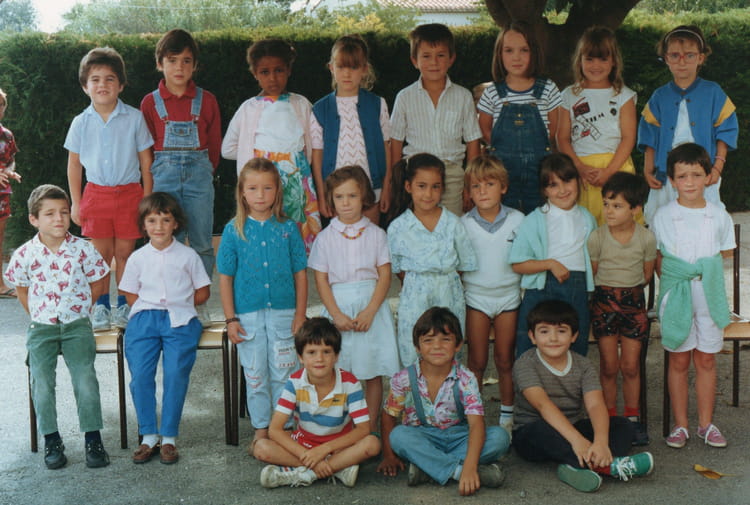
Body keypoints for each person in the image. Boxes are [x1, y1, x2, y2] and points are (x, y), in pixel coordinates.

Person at [4, 184, 110, 469]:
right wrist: (39, 314)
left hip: (76, 325)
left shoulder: (83, 249)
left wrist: (82, 308)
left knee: (85, 379)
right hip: (42, 328)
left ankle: (93, 439)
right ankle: (52, 439)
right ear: (34, 219)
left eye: (63, 212)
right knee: (41, 382)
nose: (59, 219)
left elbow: (99, 281)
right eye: (49, 214)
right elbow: (22, 290)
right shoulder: (25, 255)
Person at [513, 300, 654, 493]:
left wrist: (601, 441)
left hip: (574, 426)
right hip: (534, 433)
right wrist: (577, 441)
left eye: (561, 331)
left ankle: (576, 466)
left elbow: (595, 404)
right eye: (544, 331)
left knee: (623, 425)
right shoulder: (525, 363)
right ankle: (609, 466)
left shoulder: (583, 365)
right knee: (540, 430)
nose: (553, 338)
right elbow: (543, 405)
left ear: (574, 336)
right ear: (532, 337)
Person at [217, 158, 308, 455]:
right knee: (255, 376)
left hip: (284, 316)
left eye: (267, 188)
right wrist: (230, 319)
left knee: (284, 374)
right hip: (248, 318)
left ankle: (284, 430)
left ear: (277, 191)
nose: (260, 195)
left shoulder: (289, 228)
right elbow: (225, 278)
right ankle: (260, 431)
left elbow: (300, 274)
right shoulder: (233, 231)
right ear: (242, 192)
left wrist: (300, 314)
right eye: (253, 188)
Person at [65, 47, 154, 331]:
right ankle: (100, 306)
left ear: (121, 85)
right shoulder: (80, 122)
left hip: (130, 195)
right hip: (96, 196)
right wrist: (76, 202)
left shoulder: (134, 118)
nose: (102, 84)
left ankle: (125, 304)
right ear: (85, 86)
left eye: (109, 79)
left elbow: (146, 161)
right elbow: (74, 165)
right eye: (95, 79)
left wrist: (147, 199)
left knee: (125, 254)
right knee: (100, 256)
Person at [119, 192, 211, 465]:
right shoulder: (137, 257)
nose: (158, 226)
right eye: (152, 220)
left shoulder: (188, 256)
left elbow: (203, 291)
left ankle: (169, 437)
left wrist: (180, 304)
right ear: (143, 225)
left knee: (175, 374)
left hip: (180, 319)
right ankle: (149, 436)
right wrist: (150, 308)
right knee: (140, 375)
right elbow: (130, 294)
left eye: (165, 220)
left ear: (175, 224)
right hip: (144, 319)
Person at [652, 142, 735, 449]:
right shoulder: (663, 215)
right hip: (677, 294)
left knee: (706, 359)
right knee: (678, 359)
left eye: (697, 175)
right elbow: (659, 257)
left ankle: (705, 424)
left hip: (708, 293)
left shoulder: (718, 215)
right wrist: (674, 285)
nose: (690, 182)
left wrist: (702, 273)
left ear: (708, 177)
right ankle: (681, 425)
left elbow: (723, 253)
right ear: (672, 180)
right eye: (682, 176)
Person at [377, 307, 509, 496]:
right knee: (398, 436)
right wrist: (389, 456)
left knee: (500, 438)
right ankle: (457, 472)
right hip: (422, 436)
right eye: (428, 340)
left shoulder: (466, 378)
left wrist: (470, 466)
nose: (437, 346)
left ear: (458, 345)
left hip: (459, 437)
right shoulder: (403, 378)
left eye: (445, 339)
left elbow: (476, 424)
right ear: (417, 347)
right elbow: (389, 416)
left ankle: (427, 468)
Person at [308, 165, 400, 432]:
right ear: (331, 200)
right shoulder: (325, 238)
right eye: (339, 197)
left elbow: (385, 275)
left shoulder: (377, 234)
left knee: (372, 371)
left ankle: (368, 430)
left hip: (371, 307)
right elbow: (321, 280)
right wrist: (336, 315)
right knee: (338, 370)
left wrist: (370, 311)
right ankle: (340, 427)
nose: (345, 203)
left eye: (352, 196)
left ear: (364, 197)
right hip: (339, 307)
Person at [140, 29, 222, 326]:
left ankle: (199, 302)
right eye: (172, 60)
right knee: (165, 240)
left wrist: (205, 170)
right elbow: (146, 148)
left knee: (201, 242)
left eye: (186, 61)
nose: (179, 67)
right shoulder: (150, 103)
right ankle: (169, 300)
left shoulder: (207, 100)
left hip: (199, 179)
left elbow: (214, 144)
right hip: (164, 180)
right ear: (160, 63)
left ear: (195, 65)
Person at [253, 317, 381, 488]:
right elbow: (275, 430)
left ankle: (302, 473)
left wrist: (324, 450)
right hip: (304, 444)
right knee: (261, 447)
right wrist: (307, 454)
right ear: (300, 357)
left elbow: (363, 429)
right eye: (312, 352)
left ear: (336, 356)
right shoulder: (295, 382)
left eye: (326, 352)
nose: (319, 358)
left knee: (372, 444)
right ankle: (336, 468)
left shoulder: (350, 383)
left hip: (339, 447)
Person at [222, 38, 321, 253]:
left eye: (279, 70)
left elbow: (314, 143)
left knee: (297, 240)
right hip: (263, 185)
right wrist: (257, 156)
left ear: (289, 70)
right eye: (265, 72)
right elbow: (227, 149)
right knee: (267, 237)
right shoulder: (248, 109)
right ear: (255, 74)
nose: (273, 78)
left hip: (297, 184)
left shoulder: (301, 104)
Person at [638, 25, 738, 225]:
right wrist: (648, 170)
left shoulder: (713, 92)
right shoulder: (659, 96)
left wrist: (717, 168)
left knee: (705, 222)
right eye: (675, 55)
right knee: (665, 222)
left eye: (689, 55)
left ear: (700, 58)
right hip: (667, 175)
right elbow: (649, 135)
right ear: (666, 59)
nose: (682, 61)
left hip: (703, 173)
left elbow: (726, 130)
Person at [387, 153, 477, 366]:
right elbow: (397, 268)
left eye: (435, 187)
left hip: (448, 295)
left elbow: (463, 263)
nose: (428, 194)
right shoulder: (398, 227)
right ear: (408, 186)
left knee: (447, 347)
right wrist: (419, 282)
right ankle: (416, 388)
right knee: (414, 350)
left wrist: (443, 278)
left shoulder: (453, 224)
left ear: (443, 188)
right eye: (421, 186)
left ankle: (449, 387)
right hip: (414, 298)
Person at [587, 172, 656, 446]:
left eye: (617, 206)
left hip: (633, 305)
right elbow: (594, 273)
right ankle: (609, 420)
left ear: (635, 209)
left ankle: (632, 418)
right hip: (604, 303)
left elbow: (646, 275)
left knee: (630, 366)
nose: (609, 211)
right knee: (608, 366)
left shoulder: (646, 238)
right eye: (606, 204)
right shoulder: (597, 237)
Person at [460, 154, 524, 433]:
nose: (483, 191)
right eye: (476, 186)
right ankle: (474, 419)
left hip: (509, 297)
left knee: (504, 359)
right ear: (468, 192)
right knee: (476, 361)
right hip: (476, 298)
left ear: (503, 187)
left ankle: (507, 418)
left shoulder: (518, 220)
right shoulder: (463, 224)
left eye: (489, 184)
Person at [510, 153, 596, 357]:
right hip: (541, 288)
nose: (562, 190)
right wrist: (550, 264)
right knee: (531, 348)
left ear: (578, 180)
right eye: (553, 185)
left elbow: (594, 257)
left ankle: (571, 379)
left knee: (575, 347)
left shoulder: (587, 218)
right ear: (544, 190)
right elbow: (518, 264)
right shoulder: (534, 220)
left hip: (577, 289)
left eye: (567, 181)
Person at [390, 23, 481, 216]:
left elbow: (473, 141)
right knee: (418, 227)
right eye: (426, 56)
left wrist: (470, 184)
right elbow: (395, 141)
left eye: (440, 55)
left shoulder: (463, 96)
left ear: (451, 59)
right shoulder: (404, 97)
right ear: (414, 60)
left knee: (452, 225)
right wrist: (395, 183)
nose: (434, 62)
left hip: (452, 176)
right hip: (416, 175)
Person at [477, 21, 561, 214]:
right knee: (506, 219)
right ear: (499, 54)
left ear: (534, 53)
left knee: (539, 219)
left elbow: (553, 130)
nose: (516, 57)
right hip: (503, 176)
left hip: (539, 174)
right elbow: (485, 129)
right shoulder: (492, 93)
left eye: (524, 50)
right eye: (509, 50)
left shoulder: (548, 88)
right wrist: (503, 148)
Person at [557, 26, 638, 225]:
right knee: (585, 228)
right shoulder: (568, 95)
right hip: (581, 172)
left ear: (614, 61)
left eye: (603, 59)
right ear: (580, 60)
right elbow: (562, 137)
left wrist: (609, 172)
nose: (596, 65)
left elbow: (628, 138)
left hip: (617, 168)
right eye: (590, 59)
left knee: (620, 227)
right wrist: (580, 168)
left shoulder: (624, 95)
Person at [311, 35, 391, 224]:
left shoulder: (378, 105)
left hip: (372, 191)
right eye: (341, 66)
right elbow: (317, 156)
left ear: (364, 69)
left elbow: (386, 148)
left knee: (370, 236)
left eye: (353, 67)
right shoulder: (319, 110)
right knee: (340, 238)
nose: (347, 74)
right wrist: (322, 196)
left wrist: (387, 188)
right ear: (331, 68)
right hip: (336, 194)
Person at [0, 87, 21, 298]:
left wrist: (9, 171)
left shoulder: (7, 135)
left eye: (0, 105)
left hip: (2, 194)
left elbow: (11, 160)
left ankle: (0, 285)